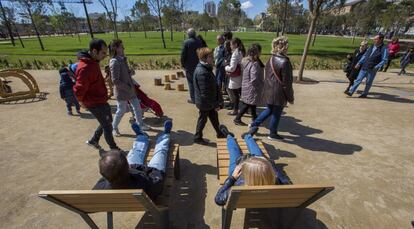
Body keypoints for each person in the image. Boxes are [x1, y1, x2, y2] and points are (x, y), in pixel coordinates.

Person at [93, 120, 172, 201]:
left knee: (135, 152)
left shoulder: (100, 189)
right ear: (127, 167)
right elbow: (157, 179)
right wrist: (139, 169)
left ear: (103, 174)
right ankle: (165, 136)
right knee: (160, 152)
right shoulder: (143, 183)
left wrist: (130, 169)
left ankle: (142, 137)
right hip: (150, 174)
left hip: (127, 181)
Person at [214, 125, 289, 206]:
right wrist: (269, 165)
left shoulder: (238, 188)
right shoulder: (279, 184)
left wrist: (232, 178)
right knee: (258, 155)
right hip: (256, 171)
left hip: (238, 174)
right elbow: (282, 178)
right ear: (270, 172)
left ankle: (229, 136)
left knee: (234, 151)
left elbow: (219, 199)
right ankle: (247, 136)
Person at [74, 39, 121, 151]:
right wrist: (80, 101)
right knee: (107, 126)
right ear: (94, 51)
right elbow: (79, 88)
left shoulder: (92, 62)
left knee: (107, 121)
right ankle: (114, 150)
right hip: (93, 102)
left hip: (100, 99)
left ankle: (94, 140)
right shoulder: (86, 67)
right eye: (103, 53)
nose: (105, 55)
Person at [246, 36, 294, 141]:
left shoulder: (271, 59)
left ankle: (254, 124)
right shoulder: (285, 62)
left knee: (269, 109)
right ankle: (272, 133)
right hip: (279, 92)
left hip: (269, 90)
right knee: (276, 112)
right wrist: (290, 97)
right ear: (285, 47)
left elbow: (267, 76)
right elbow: (287, 83)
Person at [108, 39, 150, 136]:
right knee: (121, 110)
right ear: (115, 48)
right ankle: (114, 127)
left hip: (130, 89)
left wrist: (131, 72)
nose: (123, 48)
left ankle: (140, 124)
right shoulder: (114, 62)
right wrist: (127, 87)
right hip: (122, 91)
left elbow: (127, 73)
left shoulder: (123, 59)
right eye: (121, 47)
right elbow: (115, 81)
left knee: (137, 107)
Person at [193, 47, 225, 144]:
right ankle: (197, 137)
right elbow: (206, 93)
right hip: (205, 102)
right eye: (210, 57)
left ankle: (219, 133)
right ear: (204, 58)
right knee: (203, 119)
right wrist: (215, 104)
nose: (213, 58)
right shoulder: (202, 72)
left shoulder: (205, 68)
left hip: (207, 102)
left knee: (213, 117)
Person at [345, 34, 388, 98]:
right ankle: (350, 92)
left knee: (368, 83)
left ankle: (364, 94)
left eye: (376, 39)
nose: (374, 40)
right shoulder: (371, 46)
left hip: (372, 69)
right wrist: (359, 63)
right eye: (374, 39)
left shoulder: (384, 49)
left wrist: (377, 67)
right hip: (364, 67)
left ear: (380, 39)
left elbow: (384, 60)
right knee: (358, 80)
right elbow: (365, 55)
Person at [234, 44, 264, 126]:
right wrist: (261, 85)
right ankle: (237, 118)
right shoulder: (254, 64)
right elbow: (254, 78)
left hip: (246, 85)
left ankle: (255, 119)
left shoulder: (245, 61)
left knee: (251, 104)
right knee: (248, 104)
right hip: (252, 88)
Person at [181, 28, 203, 104]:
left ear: (188, 35)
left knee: (191, 82)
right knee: (198, 82)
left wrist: (183, 64)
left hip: (189, 66)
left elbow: (183, 55)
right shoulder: (199, 42)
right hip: (199, 65)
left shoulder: (186, 42)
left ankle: (193, 99)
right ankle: (199, 97)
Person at [225, 38, 246, 116]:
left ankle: (235, 110)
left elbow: (232, 68)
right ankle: (247, 108)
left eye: (231, 44)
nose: (230, 46)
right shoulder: (241, 51)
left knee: (236, 95)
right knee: (241, 94)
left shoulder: (235, 53)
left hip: (235, 77)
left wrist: (226, 67)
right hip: (241, 75)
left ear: (235, 44)